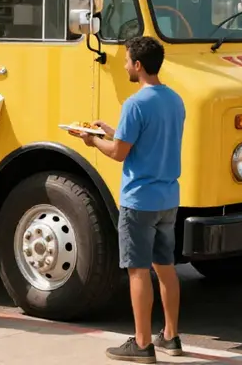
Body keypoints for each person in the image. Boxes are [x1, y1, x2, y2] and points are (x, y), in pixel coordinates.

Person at [72, 36, 186, 363]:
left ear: (138, 65)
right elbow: (147, 139)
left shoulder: (135, 104)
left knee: (138, 271)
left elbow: (120, 153)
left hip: (139, 201)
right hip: (168, 197)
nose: (124, 65)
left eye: (126, 61)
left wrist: (93, 142)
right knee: (165, 269)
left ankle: (141, 343)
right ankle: (171, 336)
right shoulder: (175, 100)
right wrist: (110, 129)